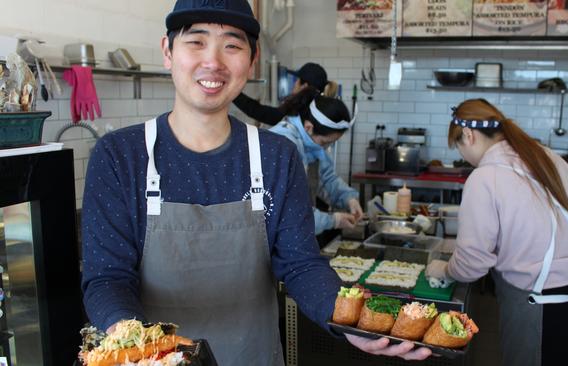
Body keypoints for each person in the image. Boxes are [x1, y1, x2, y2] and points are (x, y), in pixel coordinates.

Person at [80, 0, 430, 364]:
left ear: (252, 60)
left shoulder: (276, 156)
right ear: (168, 51)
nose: (213, 61)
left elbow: (301, 264)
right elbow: (107, 279)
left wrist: (346, 318)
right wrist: (139, 347)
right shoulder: (120, 156)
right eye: (196, 42)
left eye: (232, 45)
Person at [426, 99, 568, 366]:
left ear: (468, 135)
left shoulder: (485, 177)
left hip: (544, 310)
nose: (464, 156)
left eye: (459, 147)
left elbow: (472, 264)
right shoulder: (549, 158)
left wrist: (442, 269)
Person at [269, 90, 362, 235]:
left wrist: (349, 198)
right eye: (325, 142)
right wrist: (333, 221)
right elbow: (289, 209)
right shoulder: (284, 144)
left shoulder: (311, 144)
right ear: (309, 127)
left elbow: (326, 178)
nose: (326, 148)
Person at [233, 62, 338, 125]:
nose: (295, 83)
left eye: (297, 80)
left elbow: (261, 112)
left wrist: (232, 91)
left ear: (304, 86)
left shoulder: (299, 110)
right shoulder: (315, 108)